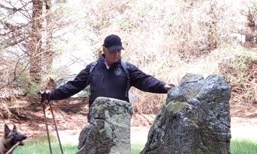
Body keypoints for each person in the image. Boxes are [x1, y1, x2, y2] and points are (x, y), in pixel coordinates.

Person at [40, 34, 175, 114]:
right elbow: (74, 86)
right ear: (104, 49)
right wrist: (52, 94)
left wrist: (163, 86)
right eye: (112, 51)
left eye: (119, 51)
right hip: (96, 118)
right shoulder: (92, 68)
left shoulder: (127, 68)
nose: (116, 55)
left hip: (120, 118)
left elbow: (145, 80)